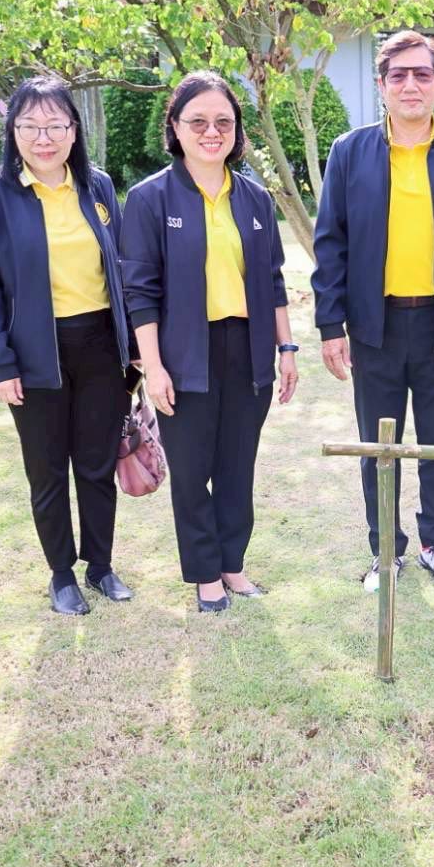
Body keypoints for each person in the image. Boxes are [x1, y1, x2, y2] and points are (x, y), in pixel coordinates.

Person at [312, 30, 434, 594]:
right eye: (397, 75)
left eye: (422, 74)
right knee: (380, 446)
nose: (410, 85)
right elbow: (331, 245)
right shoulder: (349, 152)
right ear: (381, 85)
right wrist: (330, 326)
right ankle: (385, 551)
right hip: (373, 326)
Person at [119, 71, 299, 613]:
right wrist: (153, 367)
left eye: (223, 121)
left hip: (248, 350)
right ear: (175, 127)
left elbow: (272, 280)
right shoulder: (149, 198)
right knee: (193, 470)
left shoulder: (255, 198)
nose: (211, 131)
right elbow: (139, 291)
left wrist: (287, 349)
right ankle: (205, 575)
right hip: (182, 354)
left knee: (238, 466)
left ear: (237, 129)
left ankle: (233, 565)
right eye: (197, 121)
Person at [0, 76, 135, 616]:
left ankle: (100, 565)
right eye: (30, 126)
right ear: (12, 131)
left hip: (101, 347)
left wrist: (135, 348)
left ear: (74, 130)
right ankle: (61, 574)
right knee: (47, 469)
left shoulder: (97, 187)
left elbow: (122, 270)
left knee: (97, 464)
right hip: (34, 354)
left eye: (56, 125)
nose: (44, 138)